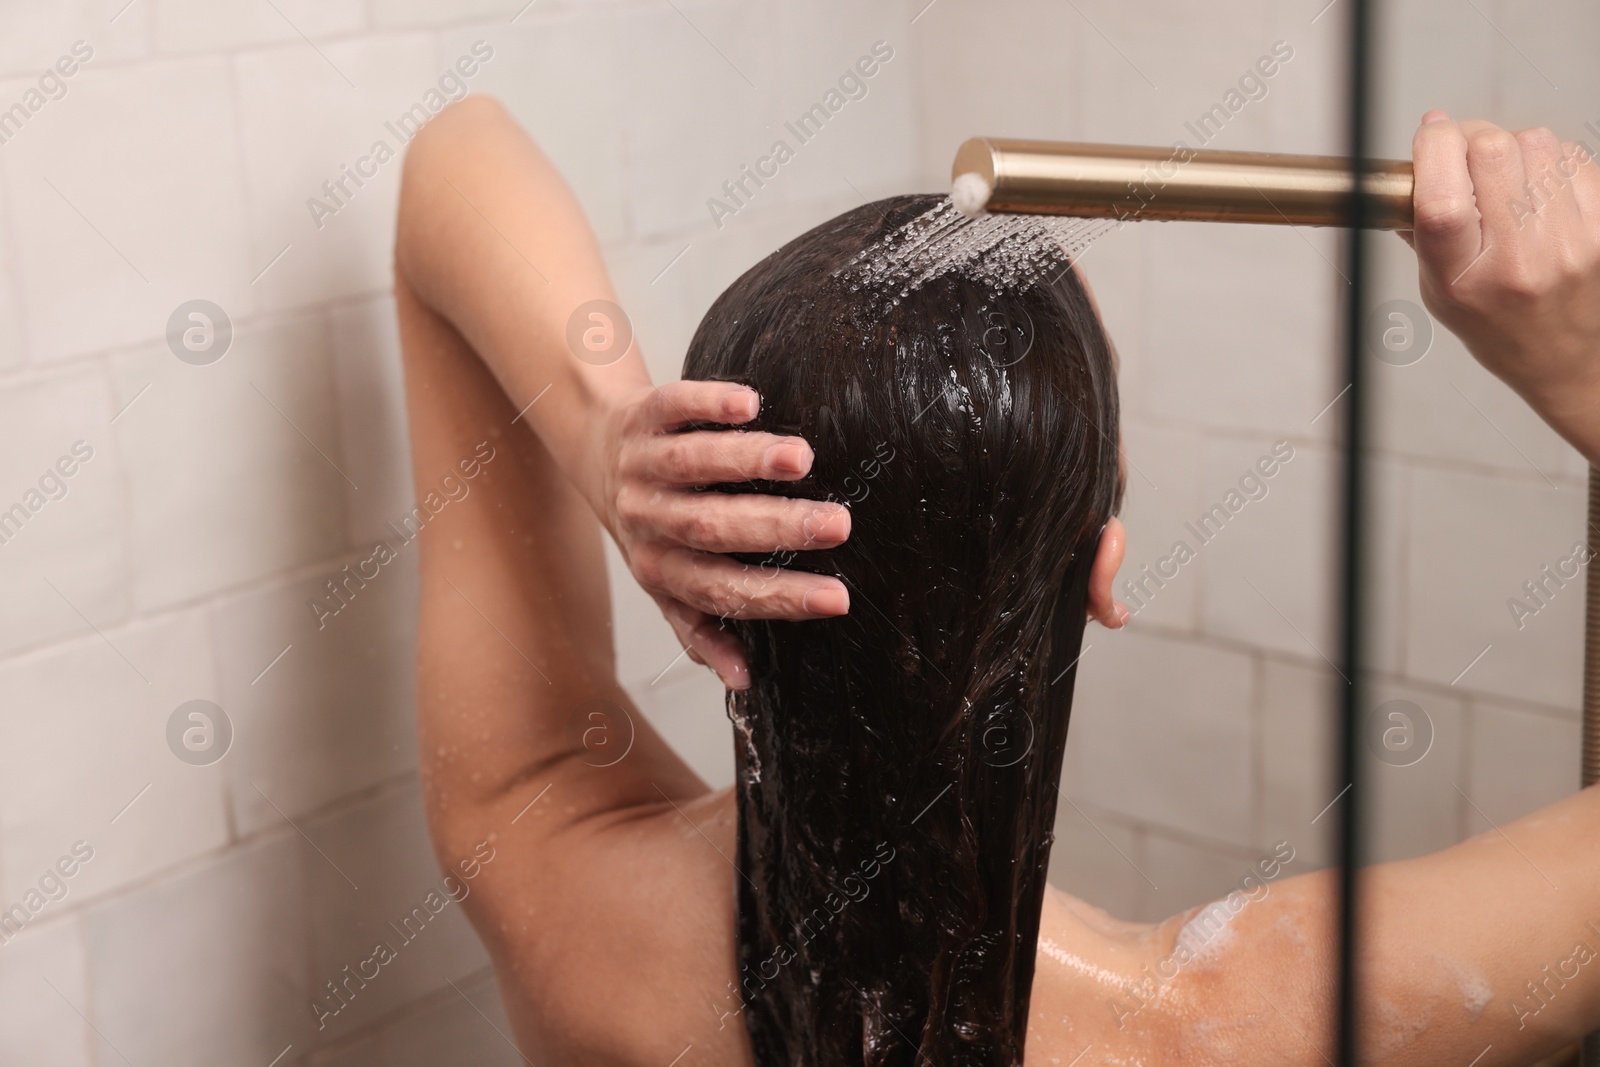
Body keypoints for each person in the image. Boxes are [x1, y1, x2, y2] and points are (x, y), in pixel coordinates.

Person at [393, 96, 1600, 1065]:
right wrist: (1580, 367)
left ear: (709, 558)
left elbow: (452, 157)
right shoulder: (1241, 1021)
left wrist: (612, 439)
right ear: (1101, 568)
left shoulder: (565, 894)